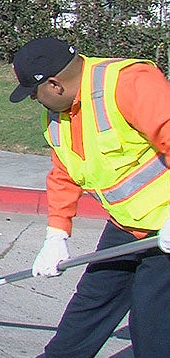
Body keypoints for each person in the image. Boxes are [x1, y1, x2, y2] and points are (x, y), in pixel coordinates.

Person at [9, 37, 170, 357]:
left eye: (33, 93)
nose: (33, 101)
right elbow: (64, 174)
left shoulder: (128, 84)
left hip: (165, 229)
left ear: (54, 85)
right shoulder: (57, 115)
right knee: (91, 302)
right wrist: (56, 234)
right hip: (127, 225)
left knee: (151, 323)